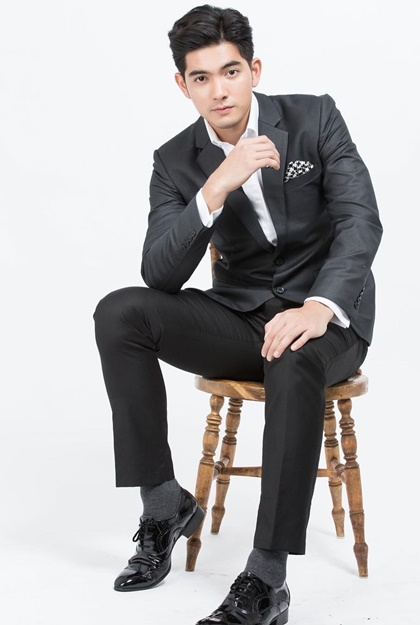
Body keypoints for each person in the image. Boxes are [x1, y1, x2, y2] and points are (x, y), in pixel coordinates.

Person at [93, 4, 382, 624]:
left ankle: (267, 577)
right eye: (202, 78)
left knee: (294, 356)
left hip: (327, 320)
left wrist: (318, 306)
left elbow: (360, 220)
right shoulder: (174, 160)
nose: (219, 90)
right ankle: (163, 503)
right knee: (120, 313)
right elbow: (160, 275)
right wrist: (215, 186)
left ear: (254, 70)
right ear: (183, 85)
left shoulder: (314, 117)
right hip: (241, 316)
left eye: (230, 72)